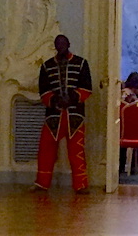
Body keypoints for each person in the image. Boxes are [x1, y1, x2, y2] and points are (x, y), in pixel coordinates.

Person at [33, 34, 92, 193]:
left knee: (77, 152)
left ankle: (81, 185)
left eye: (63, 43)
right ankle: (42, 183)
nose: (61, 46)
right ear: (55, 46)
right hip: (53, 115)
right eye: (58, 44)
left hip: (75, 116)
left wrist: (72, 98)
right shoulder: (46, 66)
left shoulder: (81, 64)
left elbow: (87, 88)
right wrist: (54, 100)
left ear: (69, 44)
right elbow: (44, 91)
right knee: (45, 150)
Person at [120, 71, 138, 175]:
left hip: (122, 127)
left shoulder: (122, 93)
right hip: (128, 127)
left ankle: (130, 167)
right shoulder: (130, 96)